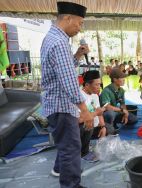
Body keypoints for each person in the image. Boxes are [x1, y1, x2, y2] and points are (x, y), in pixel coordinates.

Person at [40, 2, 94, 187]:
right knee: (71, 148)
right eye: (79, 23)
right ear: (68, 18)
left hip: (55, 104)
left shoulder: (52, 38)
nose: (79, 29)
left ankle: (61, 172)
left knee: (66, 146)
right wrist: (85, 110)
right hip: (61, 105)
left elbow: (61, 70)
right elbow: (69, 81)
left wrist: (77, 56)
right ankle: (71, 185)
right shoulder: (59, 42)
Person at [100, 68, 138, 134]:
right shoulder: (106, 91)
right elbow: (107, 107)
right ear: (115, 79)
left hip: (116, 112)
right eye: (122, 78)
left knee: (133, 119)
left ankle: (114, 122)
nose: (124, 80)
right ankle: (108, 125)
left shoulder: (121, 90)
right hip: (105, 114)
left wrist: (125, 113)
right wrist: (122, 110)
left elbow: (122, 104)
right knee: (110, 114)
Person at [79, 71, 106, 162]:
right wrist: (95, 113)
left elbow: (99, 113)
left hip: (94, 125)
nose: (99, 87)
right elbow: (78, 120)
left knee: (110, 130)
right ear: (87, 85)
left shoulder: (95, 95)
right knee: (87, 125)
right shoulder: (79, 96)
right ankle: (83, 151)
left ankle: (85, 143)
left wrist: (103, 127)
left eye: (100, 84)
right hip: (81, 126)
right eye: (97, 84)